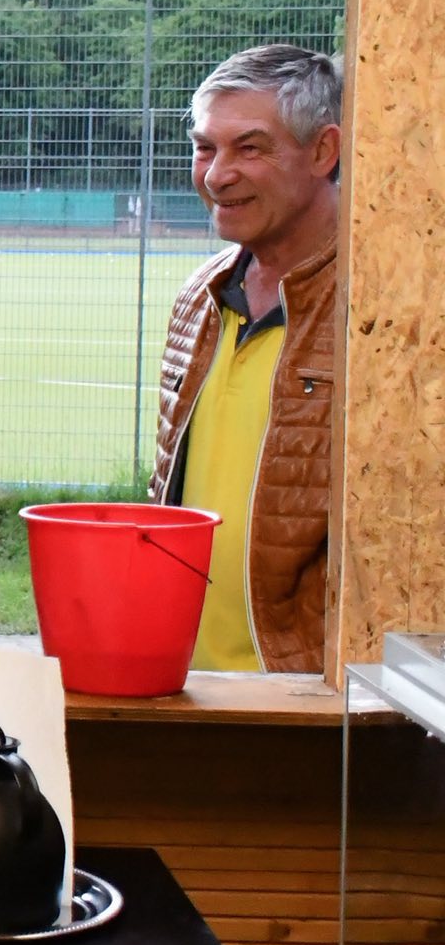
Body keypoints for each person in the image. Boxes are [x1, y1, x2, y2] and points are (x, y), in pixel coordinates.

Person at [151, 45, 342, 673]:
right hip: (185, 682)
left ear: (324, 151)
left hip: (309, 696)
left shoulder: (382, 312)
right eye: (205, 147)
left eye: (250, 148)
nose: (216, 175)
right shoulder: (200, 296)